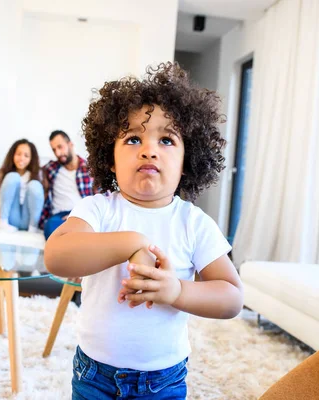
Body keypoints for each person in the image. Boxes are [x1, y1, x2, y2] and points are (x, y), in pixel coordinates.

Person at [44, 62, 243, 399]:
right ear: (110, 158)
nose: (149, 149)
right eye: (133, 138)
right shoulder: (99, 209)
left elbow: (232, 297)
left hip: (163, 379)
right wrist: (132, 242)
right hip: (94, 374)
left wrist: (177, 291)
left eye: (167, 140)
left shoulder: (193, 223)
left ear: (187, 162)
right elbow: (56, 256)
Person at [40, 130, 95, 239]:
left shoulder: (89, 169)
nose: (58, 153)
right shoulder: (51, 168)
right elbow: (31, 170)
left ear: (71, 144)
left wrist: (78, 214)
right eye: (54, 150)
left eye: (60, 147)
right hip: (58, 217)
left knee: (90, 230)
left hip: (82, 215)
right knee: (51, 227)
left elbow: (102, 198)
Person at [0, 139, 44, 232]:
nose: (21, 158)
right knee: (12, 176)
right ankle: (3, 222)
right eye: (18, 154)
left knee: (35, 185)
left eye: (26, 156)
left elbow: (40, 196)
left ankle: (33, 228)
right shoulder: (4, 173)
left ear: (31, 158)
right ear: (12, 155)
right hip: (11, 216)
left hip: (28, 218)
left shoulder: (36, 173)